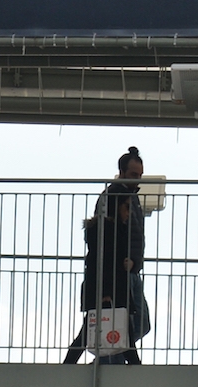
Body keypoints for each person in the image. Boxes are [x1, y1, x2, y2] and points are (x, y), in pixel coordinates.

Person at [63, 146, 148, 365]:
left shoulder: (126, 199)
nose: (137, 180)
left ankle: (103, 363)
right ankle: (114, 365)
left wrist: (133, 262)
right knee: (122, 328)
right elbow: (104, 258)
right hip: (117, 277)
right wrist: (106, 290)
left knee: (111, 328)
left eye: (139, 176)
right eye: (133, 175)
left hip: (123, 273)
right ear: (122, 172)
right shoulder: (114, 204)